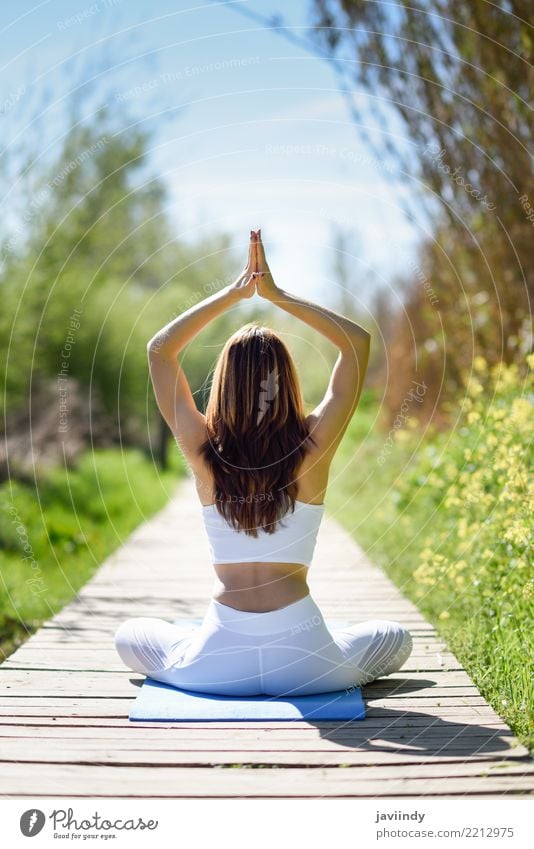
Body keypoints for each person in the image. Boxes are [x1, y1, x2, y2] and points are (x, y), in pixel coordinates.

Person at [114, 230, 412, 696]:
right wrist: (277, 295)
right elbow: (356, 344)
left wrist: (234, 295)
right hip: (306, 661)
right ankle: (320, 656)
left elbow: (160, 349)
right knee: (394, 637)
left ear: (224, 385)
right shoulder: (312, 447)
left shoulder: (203, 451)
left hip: (218, 663)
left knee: (130, 635)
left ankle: (201, 653)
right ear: (287, 381)